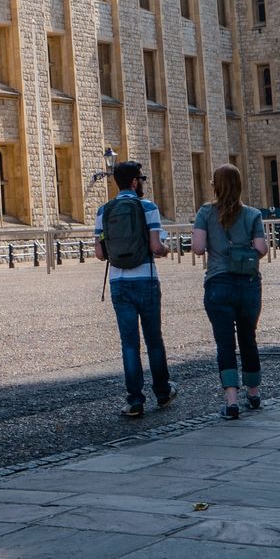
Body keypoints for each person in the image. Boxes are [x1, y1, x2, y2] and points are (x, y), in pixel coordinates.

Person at [96, 161, 173, 419]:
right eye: (141, 178)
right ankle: (162, 392)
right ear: (133, 182)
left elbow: (99, 253)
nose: (142, 183)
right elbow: (155, 247)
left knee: (129, 343)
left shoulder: (103, 211)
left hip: (119, 282)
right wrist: (166, 249)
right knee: (154, 340)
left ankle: (135, 400)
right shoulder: (148, 207)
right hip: (145, 279)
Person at [197, 163, 270, 420]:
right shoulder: (252, 214)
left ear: (215, 186)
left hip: (218, 283)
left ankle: (231, 401)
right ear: (240, 186)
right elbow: (261, 248)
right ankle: (254, 393)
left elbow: (197, 247)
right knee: (248, 337)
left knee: (225, 342)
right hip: (248, 284)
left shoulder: (206, 212)